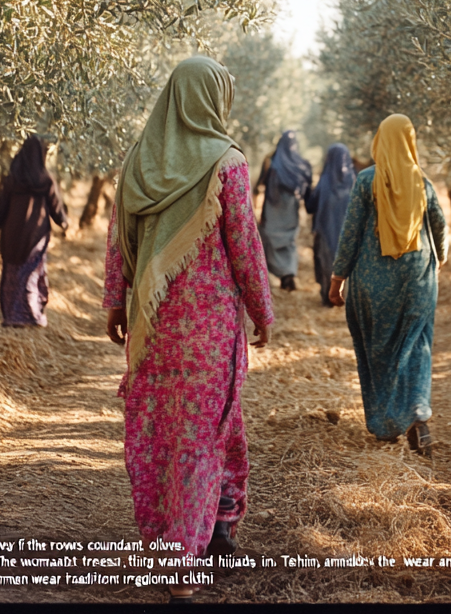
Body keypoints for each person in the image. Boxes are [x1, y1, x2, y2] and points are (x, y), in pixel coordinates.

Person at [102, 56, 273, 601]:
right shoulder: (227, 163)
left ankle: (216, 524)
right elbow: (245, 246)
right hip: (210, 327)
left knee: (163, 433)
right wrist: (263, 310)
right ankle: (181, 560)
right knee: (201, 432)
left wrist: (114, 304)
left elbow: (117, 241)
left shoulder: (140, 161)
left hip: (151, 327)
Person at [329, 114, 447, 455]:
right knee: (416, 346)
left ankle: (385, 424)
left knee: (377, 349)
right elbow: (439, 227)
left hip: (371, 280)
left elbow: (351, 233)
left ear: (380, 141)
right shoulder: (422, 183)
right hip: (417, 280)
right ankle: (418, 418)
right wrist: (438, 259)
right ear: (410, 142)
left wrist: (338, 277)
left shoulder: (366, 181)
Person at [0, 134, 69, 327]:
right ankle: (30, 315)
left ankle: (12, 316)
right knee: (30, 273)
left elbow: (2, 204)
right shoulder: (45, 179)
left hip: (12, 234)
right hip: (36, 236)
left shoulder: (12, 179)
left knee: (12, 274)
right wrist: (63, 223)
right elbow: (55, 207)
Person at [254, 130, 312, 292]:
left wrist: (254, 207)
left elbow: (259, 186)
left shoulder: (270, 161)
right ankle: (289, 274)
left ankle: (279, 274)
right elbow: (307, 190)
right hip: (291, 211)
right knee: (289, 242)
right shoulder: (301, 164)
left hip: (272, 209)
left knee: (270, 241)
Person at [304, 143, 356, 307]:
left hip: (325, 232)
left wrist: (306, 190)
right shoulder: (355, 182)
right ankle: (345, 297)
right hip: (349, 235)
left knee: (327, 263)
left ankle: (328, 297)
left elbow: (310, 206)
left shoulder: (324, 182)